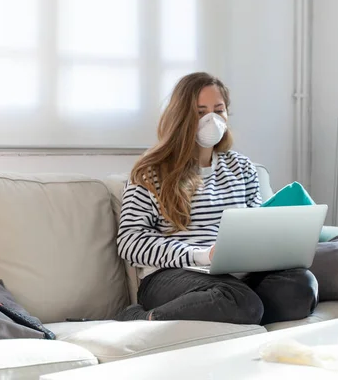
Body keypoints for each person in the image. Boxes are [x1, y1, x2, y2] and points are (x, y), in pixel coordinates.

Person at [115, 72, 318, 325]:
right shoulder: (149, 172)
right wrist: (202, 255)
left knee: (300, 287)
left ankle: (244, 311)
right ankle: (141, 317)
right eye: (200, 112)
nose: (211, 119)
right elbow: (130, 242)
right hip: (173, 275)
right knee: (238, 300)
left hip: (236, 275)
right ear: (181, 117)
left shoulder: (241, 166)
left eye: (218, 110)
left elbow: (258, 223)